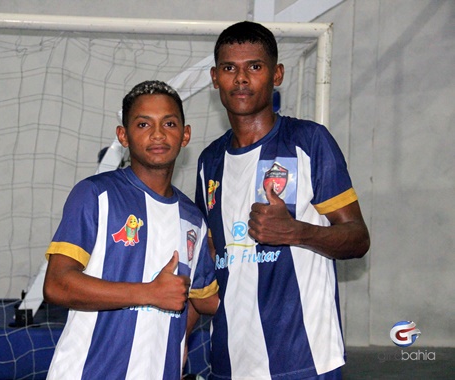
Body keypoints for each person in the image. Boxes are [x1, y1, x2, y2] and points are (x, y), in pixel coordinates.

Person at [195, 21, 370, 379]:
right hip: (230, 362)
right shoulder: (208, 161)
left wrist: (296, 232)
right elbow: (212, 256)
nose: (241, 79)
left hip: (304, 359)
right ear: (215, 79)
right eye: (230, 68)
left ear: (277, 74)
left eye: (254, 67)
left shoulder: (310, 141)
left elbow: (358, 238)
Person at [43, 80, 219, 379]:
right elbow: (57, 285)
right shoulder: (95, 194)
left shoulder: (194, 218)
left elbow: (202, 299)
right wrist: (149, 293)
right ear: (123, 136)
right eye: (143, 124)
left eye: (170, 123)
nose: (158, 134)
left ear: (185, 134)